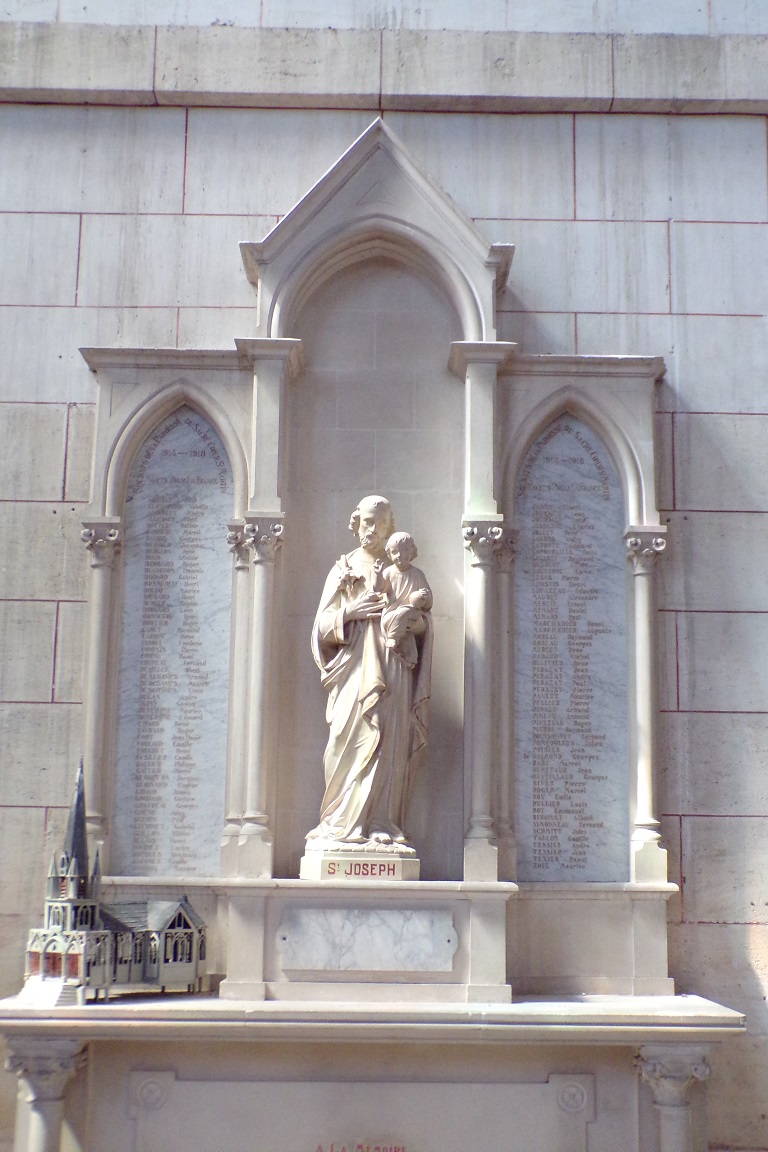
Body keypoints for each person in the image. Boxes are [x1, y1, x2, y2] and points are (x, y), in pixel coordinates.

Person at [306, 497, 433, 849]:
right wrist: (350, 612)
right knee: (347, 740)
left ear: (390, 527)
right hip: (354, 671)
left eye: (380, 523)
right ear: (355, 523)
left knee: (388, 744)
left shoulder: (402, 572)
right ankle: (338, 822)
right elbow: (320, 630)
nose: (372, 530)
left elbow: (424, 624)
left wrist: (412, 622)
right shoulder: (342, 568)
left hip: (392, 669)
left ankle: (380, 821)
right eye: (366, 522)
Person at [379, 532, 433, 669]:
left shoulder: (418, 575)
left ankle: (410, 658)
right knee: (404, 612)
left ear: (412, 551)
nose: (400, 556)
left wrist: (424, 597)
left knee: (408, 629)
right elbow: (378, 590)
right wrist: (377, 575)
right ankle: (393, 637)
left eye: (404, 550)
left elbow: (429, 604)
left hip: (411, 619)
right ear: (389, 554)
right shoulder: (388, 572)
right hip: (390, 618)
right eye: (395, 552)